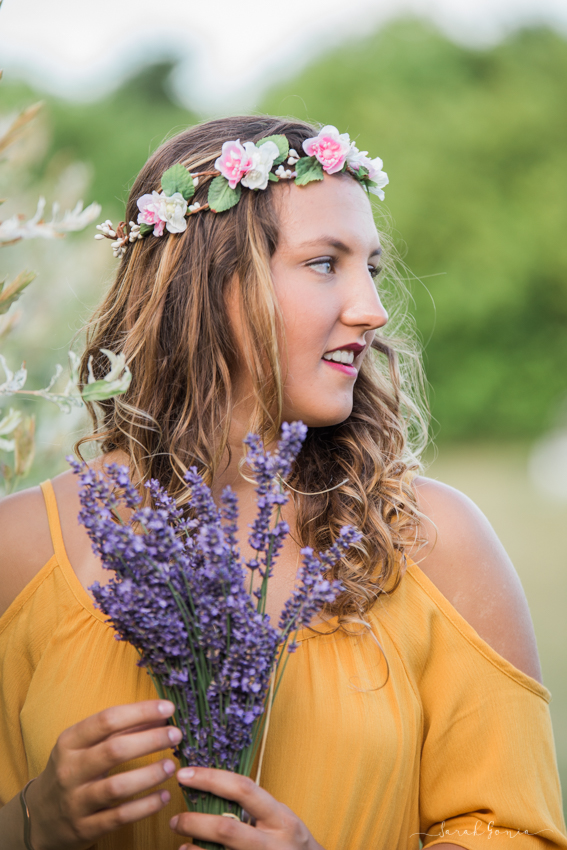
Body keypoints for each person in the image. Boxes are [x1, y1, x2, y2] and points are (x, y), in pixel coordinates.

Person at [0, 115, 565, 850]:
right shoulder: (20, 547)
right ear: (206, 285)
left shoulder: (433, 544)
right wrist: (30, 822)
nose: (371, 309)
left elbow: (516, 834)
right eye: (325, 263)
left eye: (371, 267)